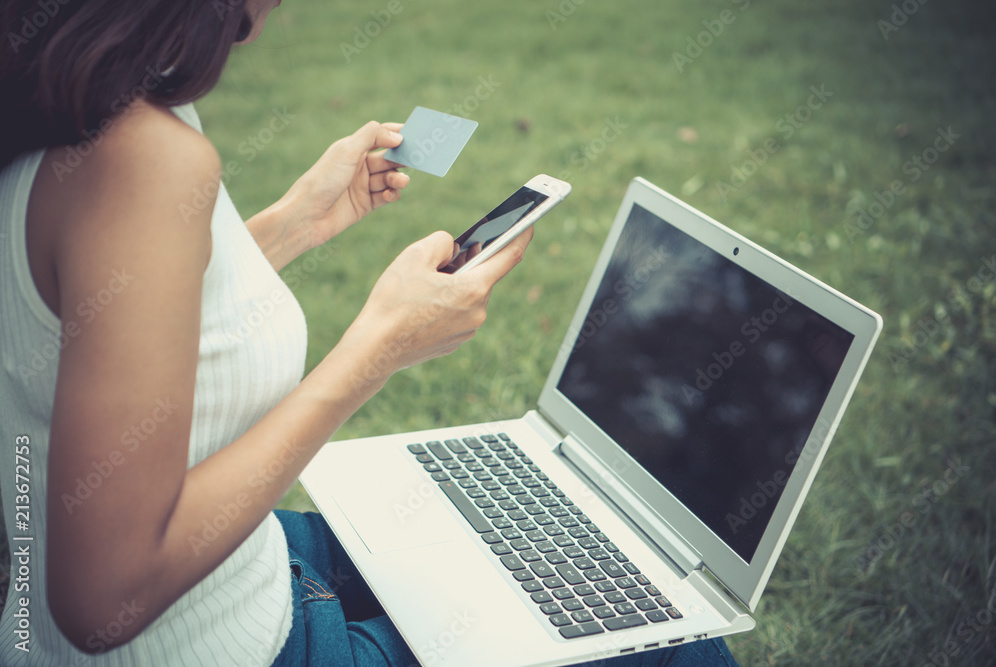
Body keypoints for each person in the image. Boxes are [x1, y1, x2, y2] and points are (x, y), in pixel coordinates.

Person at [0, 1, 741, 665]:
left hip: (237, 571)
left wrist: (293, 223)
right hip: (249, 641)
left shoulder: (56, 103)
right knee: (670, 637)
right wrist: (379, 348)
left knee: (495, 546)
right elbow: (105, 595)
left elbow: (113, 314)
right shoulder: (142, 157)